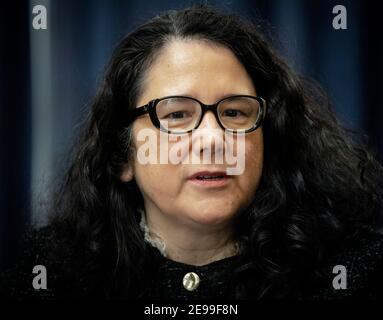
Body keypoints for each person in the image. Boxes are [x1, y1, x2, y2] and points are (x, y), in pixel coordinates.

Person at [1, 5, 383, 300]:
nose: (213, 138)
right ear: (122, 157)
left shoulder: (349, 270)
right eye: (178, 115)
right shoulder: (51, 271)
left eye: (235, 112)